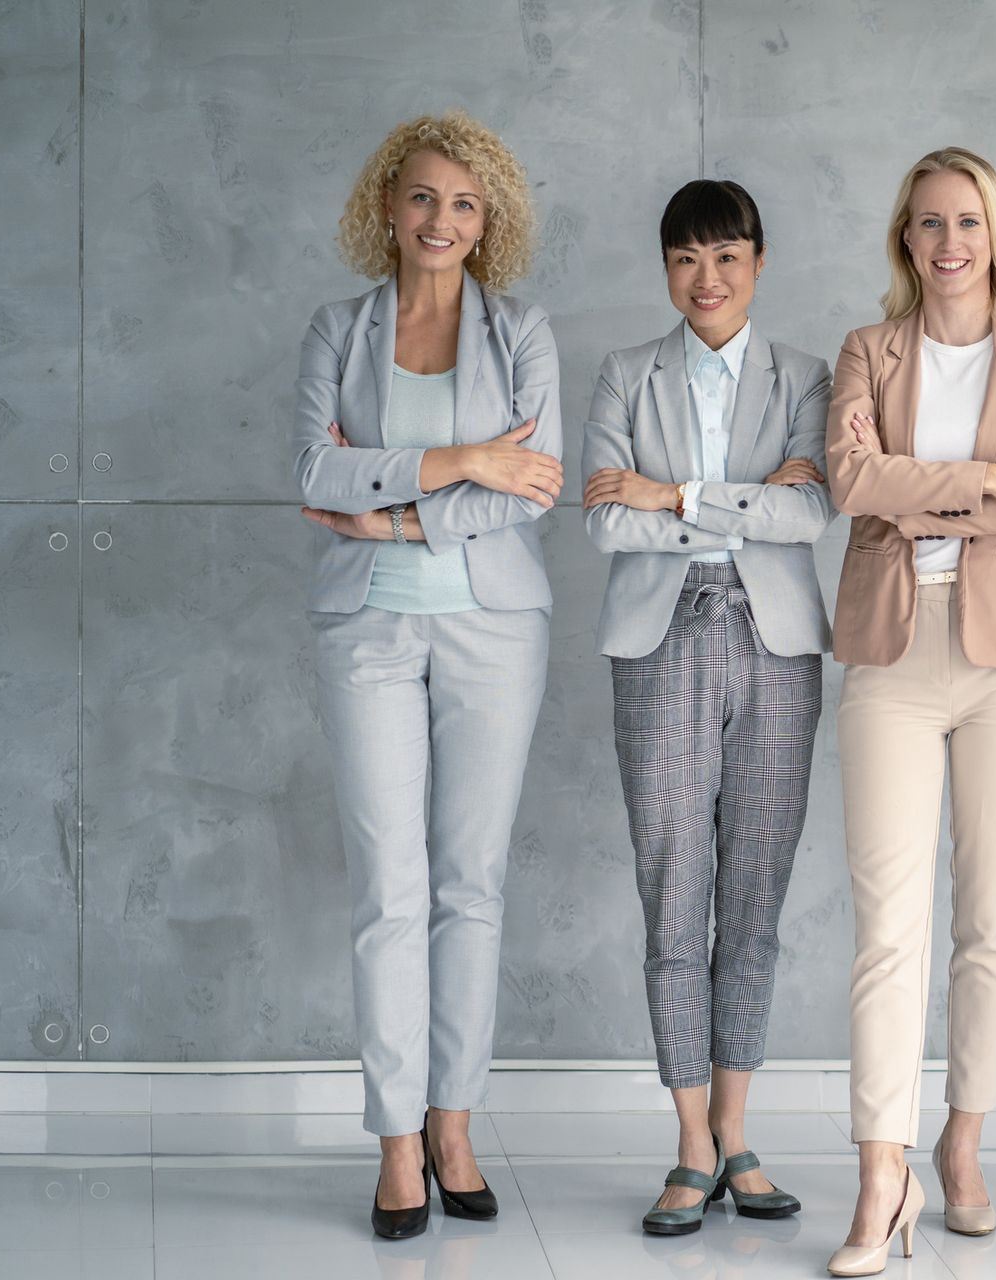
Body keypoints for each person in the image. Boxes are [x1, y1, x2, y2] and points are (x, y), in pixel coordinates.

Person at [293, 110, 562, 1239]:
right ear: (386, 209)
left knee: (471, 883)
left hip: (494, 631)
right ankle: (396, 1139)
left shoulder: (524, 332)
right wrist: (460, 460)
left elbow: (535, 483)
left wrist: (390, 509)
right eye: (420, 198)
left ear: (485, 218)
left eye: (461, 202)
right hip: (366, 638)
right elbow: (314, 468)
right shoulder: (336, 329)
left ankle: (454, 1121)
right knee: (388, 891)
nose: (439, 219)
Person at [822, 146, 996, 1278]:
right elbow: (849, 481)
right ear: (905, 238)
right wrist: (988, 481)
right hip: (889, 647)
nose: (948, 242)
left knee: (989, 918)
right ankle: (884, 1173)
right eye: (928, 222)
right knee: (888, 925)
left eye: (967, 220)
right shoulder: (866, 351)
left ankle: (961, 1143)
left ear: (995, 232)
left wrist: (923, 480)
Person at [580, 177, 835, 1236]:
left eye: (727, 255)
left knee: (757, 895)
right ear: (667, 269)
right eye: (687, 258)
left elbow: (812, 509)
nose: (708, 277)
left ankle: (738, 1130)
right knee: (674, 885)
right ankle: (690, 1141)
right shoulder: (624, 374)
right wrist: (741, 505)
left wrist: (674, 494)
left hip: (777, 645)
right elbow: (602, 518)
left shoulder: (807, 375)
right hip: (659, 638)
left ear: (759, 261)